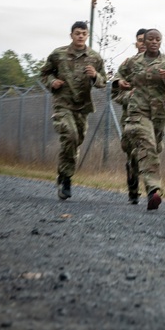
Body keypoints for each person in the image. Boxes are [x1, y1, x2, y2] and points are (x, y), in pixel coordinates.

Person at [119, 29, 165, 210]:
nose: (153, 42)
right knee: (148, 146)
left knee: (150, 150)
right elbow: (117, 82)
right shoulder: (132, 63)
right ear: (143, 42)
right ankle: (153, 191)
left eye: (157, 39)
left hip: (159, 115)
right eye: (150, 39)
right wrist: (123, 88)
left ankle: (134, 183)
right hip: (137, 113)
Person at [40, 21, 107, 201]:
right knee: (69, 135)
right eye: (77, 33)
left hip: (82, 107)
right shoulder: (58, 54)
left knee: (75, 142)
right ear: (71, 35)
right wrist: (51, 82)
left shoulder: (94, 58)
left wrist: (95, 76)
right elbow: (45, 73)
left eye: (83, 33)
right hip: (63, 104)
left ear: (87, 36)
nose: (80, 36)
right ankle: (67, 180)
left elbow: (103, 82)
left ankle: (62, 173)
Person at [112, 28, 147, 203]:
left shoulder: (162, 64)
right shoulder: (128, 65)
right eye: (140, 40)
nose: (143, 43)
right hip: (131, 117)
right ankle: (133, 188)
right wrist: (129, 95)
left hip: (152, 118)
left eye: (146, 40)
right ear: (136, 43)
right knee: (133, 154)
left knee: (149, 152)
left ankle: (153, 191)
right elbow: (115, 92)